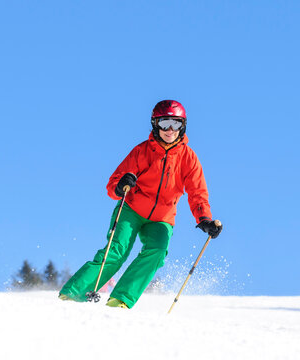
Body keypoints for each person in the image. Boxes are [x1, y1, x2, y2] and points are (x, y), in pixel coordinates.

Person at [59, 100, 223, 309]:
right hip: (132, 210)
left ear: (183, 126)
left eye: (176, 124)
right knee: (116, 252)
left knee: (157, 251)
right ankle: (74, 293)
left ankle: (121, 299)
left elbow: (197, 192)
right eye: (165, 123)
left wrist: (204, 219)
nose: (170, 130)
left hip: (162, 218)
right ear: (155, 124)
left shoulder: (188, 158)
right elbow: (114, 183)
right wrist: (121, 186)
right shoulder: (142, 151)